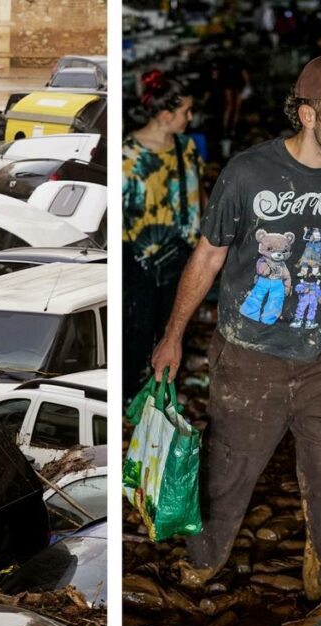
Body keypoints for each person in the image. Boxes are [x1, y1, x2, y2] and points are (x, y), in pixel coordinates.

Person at [151, 55, 321, 600]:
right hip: (249, 357)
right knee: (228, 474)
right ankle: (205, 559)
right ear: (308, 115)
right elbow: (207, 258)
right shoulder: (248, 174)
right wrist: (173, 336)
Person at [122, 70, 202, 401]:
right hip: (140, 262)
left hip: (184, 256)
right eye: (186, 112)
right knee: (139, 332)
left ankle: (165, 393)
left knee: (175, 326)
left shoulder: (186, 148)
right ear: (166, 114)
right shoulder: (127, 158)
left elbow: (200, 193)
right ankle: (134, 397)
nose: (190, 118)